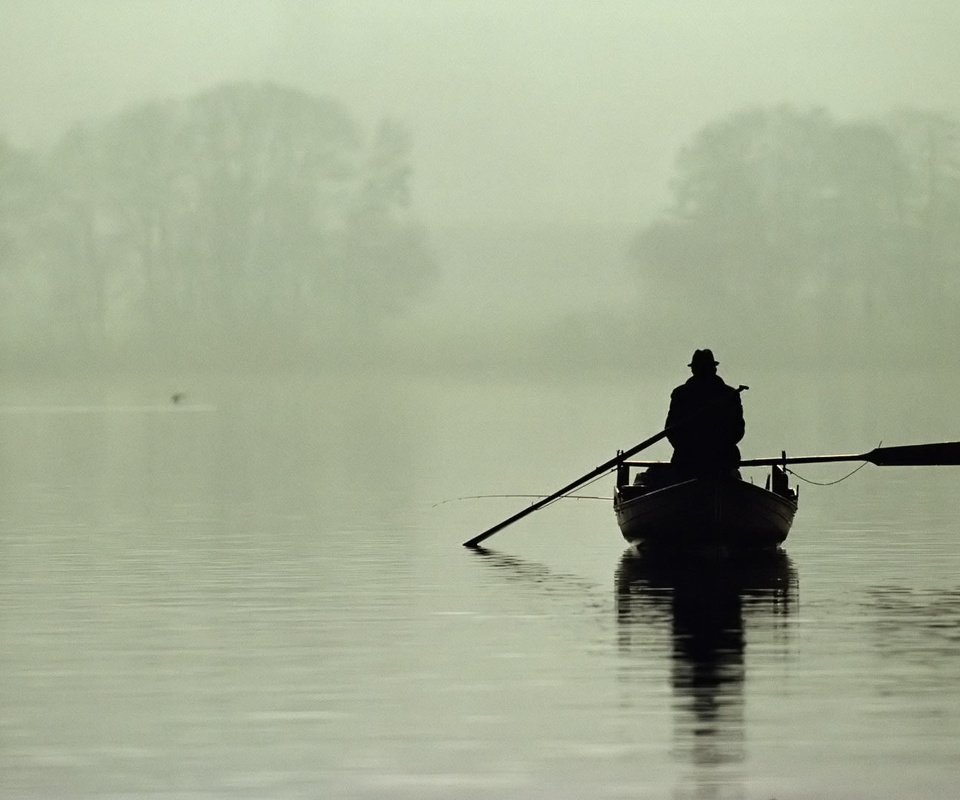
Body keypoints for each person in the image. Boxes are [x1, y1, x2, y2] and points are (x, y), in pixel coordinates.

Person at [665, 349, 744, 478]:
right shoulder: (728, 394)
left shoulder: (729, 395)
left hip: (714, 461)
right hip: (696, 460)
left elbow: (737, 430)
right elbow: (671, 430)